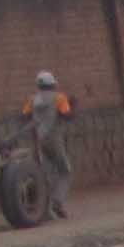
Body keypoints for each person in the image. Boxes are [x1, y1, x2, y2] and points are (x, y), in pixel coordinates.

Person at [26, 69, 75, 217]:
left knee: (45, 173)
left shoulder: (32, 99)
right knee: (65, 171)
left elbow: (25, 116)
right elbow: (67, 115)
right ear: (53, 84)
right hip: (53, 137)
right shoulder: (59, 98)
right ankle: (57, 202)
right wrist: (73, 107)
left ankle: (45, 208)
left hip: (37, 139)